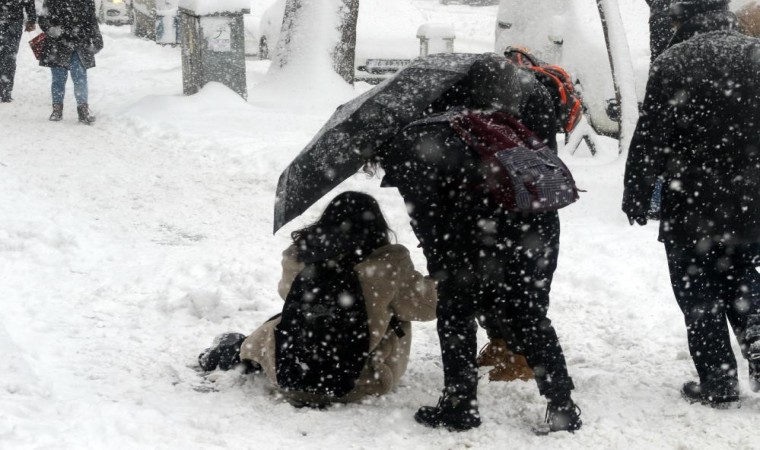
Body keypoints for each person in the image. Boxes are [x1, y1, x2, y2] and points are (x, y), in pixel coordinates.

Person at [374, 53, 582, 432]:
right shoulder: (506, 126)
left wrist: (441, 260)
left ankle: (459, 405)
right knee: (531, 316)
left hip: (470, 232)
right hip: (534, 229)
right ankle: (562, 403)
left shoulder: (420, 135)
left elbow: (425, 211)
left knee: (455, 315)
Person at [623, 0, 760, 407]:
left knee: (698, 289)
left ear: (684, 20)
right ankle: (756, 323)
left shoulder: (673, 61)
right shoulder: (756, 54)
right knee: (741, 269)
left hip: (692, 198)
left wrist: (636, 192)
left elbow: (649, 136)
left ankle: (717, 383)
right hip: (751, 196)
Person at [199, 191, 438, 407]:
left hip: (291, 375)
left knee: (284, 321)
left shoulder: (301, 256)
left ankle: (236, 352)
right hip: (360, 381)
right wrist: (437, 274)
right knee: (396, 311)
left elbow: (286, 293)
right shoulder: (389, 266)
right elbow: (428, 308)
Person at [38, 0, 102, 124]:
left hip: (79, 43)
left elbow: (92, 20)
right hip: (57, 44)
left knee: (79, 77)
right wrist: (51, 29)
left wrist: (97, 38)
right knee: (58, 78)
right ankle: (57, 109)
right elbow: (43, 19)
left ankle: (83, 109)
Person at [0, 0, 36, 102]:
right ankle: (6, 91)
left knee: (9, 57)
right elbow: (29, 2)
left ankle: (5, 90)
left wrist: (32, 18)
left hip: (13, 21)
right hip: (14, 21)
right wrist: (32, 18)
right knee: (10, 58)